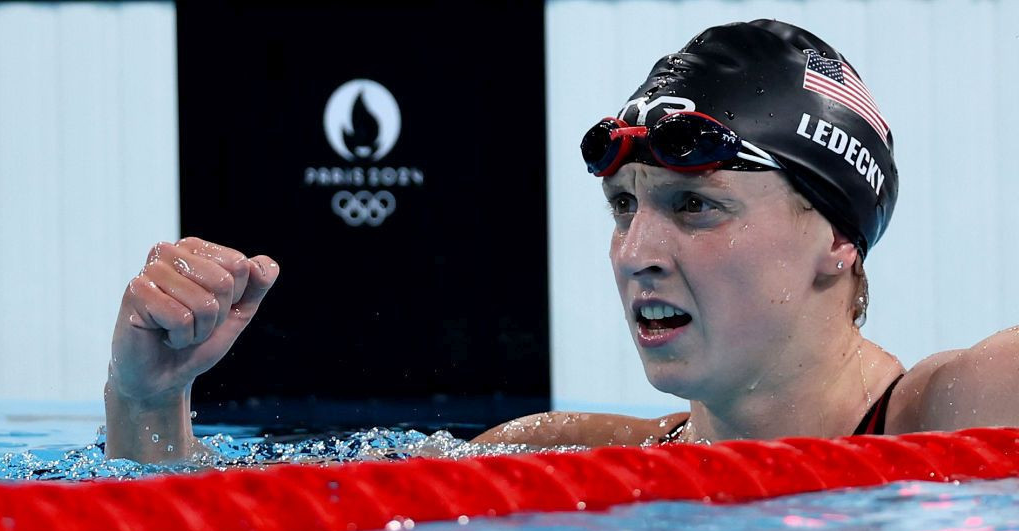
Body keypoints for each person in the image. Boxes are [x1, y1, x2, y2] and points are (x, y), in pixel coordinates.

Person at [105, 20, 1019, 463]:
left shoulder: (966, 406)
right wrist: (147, 401)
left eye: (694, 208)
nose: (636, 252)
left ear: (838, 240)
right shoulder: (567, 456)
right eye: (624, 207)